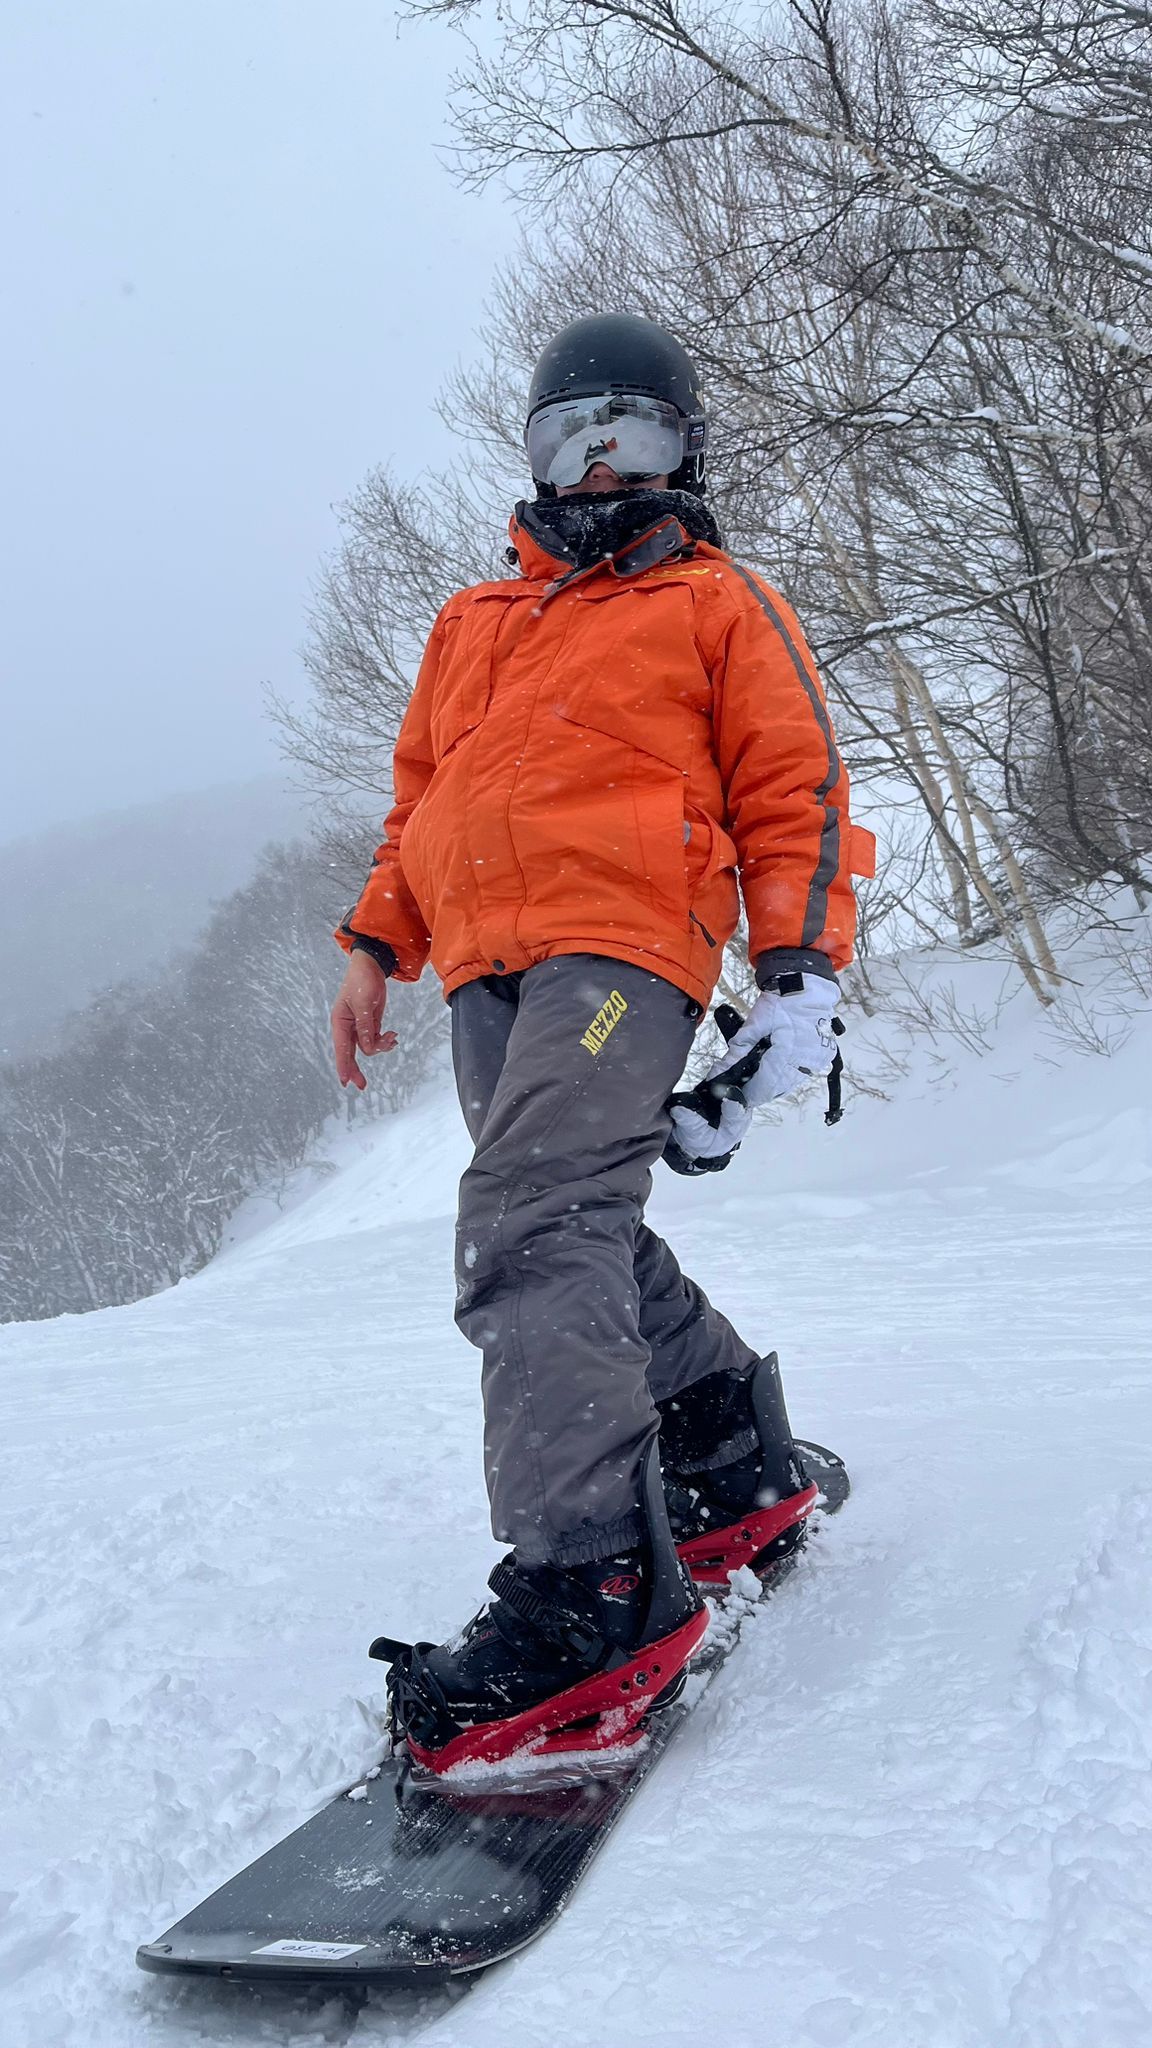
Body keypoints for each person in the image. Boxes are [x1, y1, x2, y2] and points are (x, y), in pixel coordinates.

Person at [329, 313, 875, 1770]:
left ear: (682, 451)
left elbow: (797, 791)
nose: (598, 462)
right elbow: (423, 799)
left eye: (630, 431)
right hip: (484, 965)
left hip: (626, 944)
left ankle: (593, 1590)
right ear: (534, 454)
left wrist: (798, 979)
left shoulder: (715, 600)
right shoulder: (472, 621)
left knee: (531, 1220)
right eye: (571, 434)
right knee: (576, 1223)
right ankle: (725, 1442)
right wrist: (377, 943)